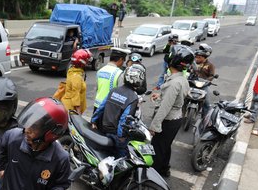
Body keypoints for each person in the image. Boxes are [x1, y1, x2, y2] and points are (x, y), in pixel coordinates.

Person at [149, 48, 194, 177]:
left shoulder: (174, 83)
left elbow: (165, 107)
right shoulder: (182, 79)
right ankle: (164, 169)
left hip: (168, 121)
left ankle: (153, 177)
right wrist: (161, 95)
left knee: (157, 150)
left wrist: (155, 126)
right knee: (165, 147)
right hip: (176, 119)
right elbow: (175, 98)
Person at [91, 64, 146, 158]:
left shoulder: (114, 90)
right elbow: (124, 119)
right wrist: (121, 137)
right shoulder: (133, 97)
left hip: (104, 130)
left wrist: (93, 120)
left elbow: (101, 108)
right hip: (115, 134)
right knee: (123, 158)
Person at [93, 47, 130, 112]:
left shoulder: (100, 71)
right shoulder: (119, 73)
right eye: (123, 61)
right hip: (109, 109)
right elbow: (121, 94)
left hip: (97, 106)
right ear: (121, 59)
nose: (123, 63)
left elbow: (97, 88)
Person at [61, 49, 92, 114]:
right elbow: (76, 95)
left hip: (67, 105)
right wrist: (78, 114)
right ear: (82, 63)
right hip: (71, 109)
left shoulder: (72, 70)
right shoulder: (76, 76)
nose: (88, 63)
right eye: (87, 61)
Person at [194, 43, 216, 115]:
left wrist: (207, 81)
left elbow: (212, 76)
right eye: (196, 57)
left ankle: (205, 119)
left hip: (203, 85)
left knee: (207, 103)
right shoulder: (194, 63)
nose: (197, 58)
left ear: (204, 57)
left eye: (199, 57)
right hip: (193, 83)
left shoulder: (210, 65)